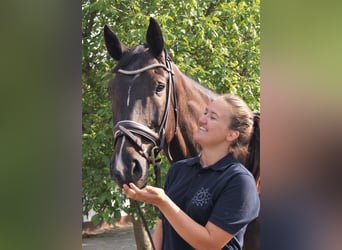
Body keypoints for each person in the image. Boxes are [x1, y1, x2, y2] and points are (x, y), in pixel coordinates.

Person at [123, 94, 260, 250]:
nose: (202, 119)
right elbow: (162, 228)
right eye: (205, 112)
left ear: (232, 134)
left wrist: (163, 202)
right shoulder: (179, 170)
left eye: (213, 117)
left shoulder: (239, 181)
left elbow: (210, 243)